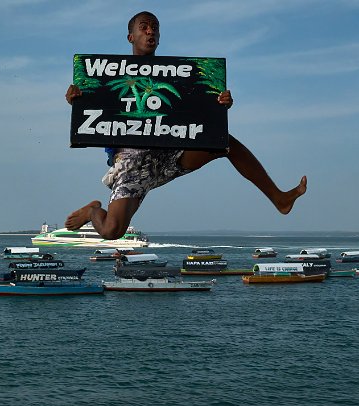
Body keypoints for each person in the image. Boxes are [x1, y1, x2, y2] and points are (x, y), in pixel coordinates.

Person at [65, 11, 307, 240]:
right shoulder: (107, 75)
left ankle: (279, 198)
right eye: (144, 27)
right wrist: (76, 98)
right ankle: (92, 211)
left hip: (170, 151)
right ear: (131, 37)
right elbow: (92, 105)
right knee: (111, 230)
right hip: (133, 160)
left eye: (155, 29)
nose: (151, 32)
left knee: (224, 142)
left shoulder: (179, 76)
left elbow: (200, 107)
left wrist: (221, 102)